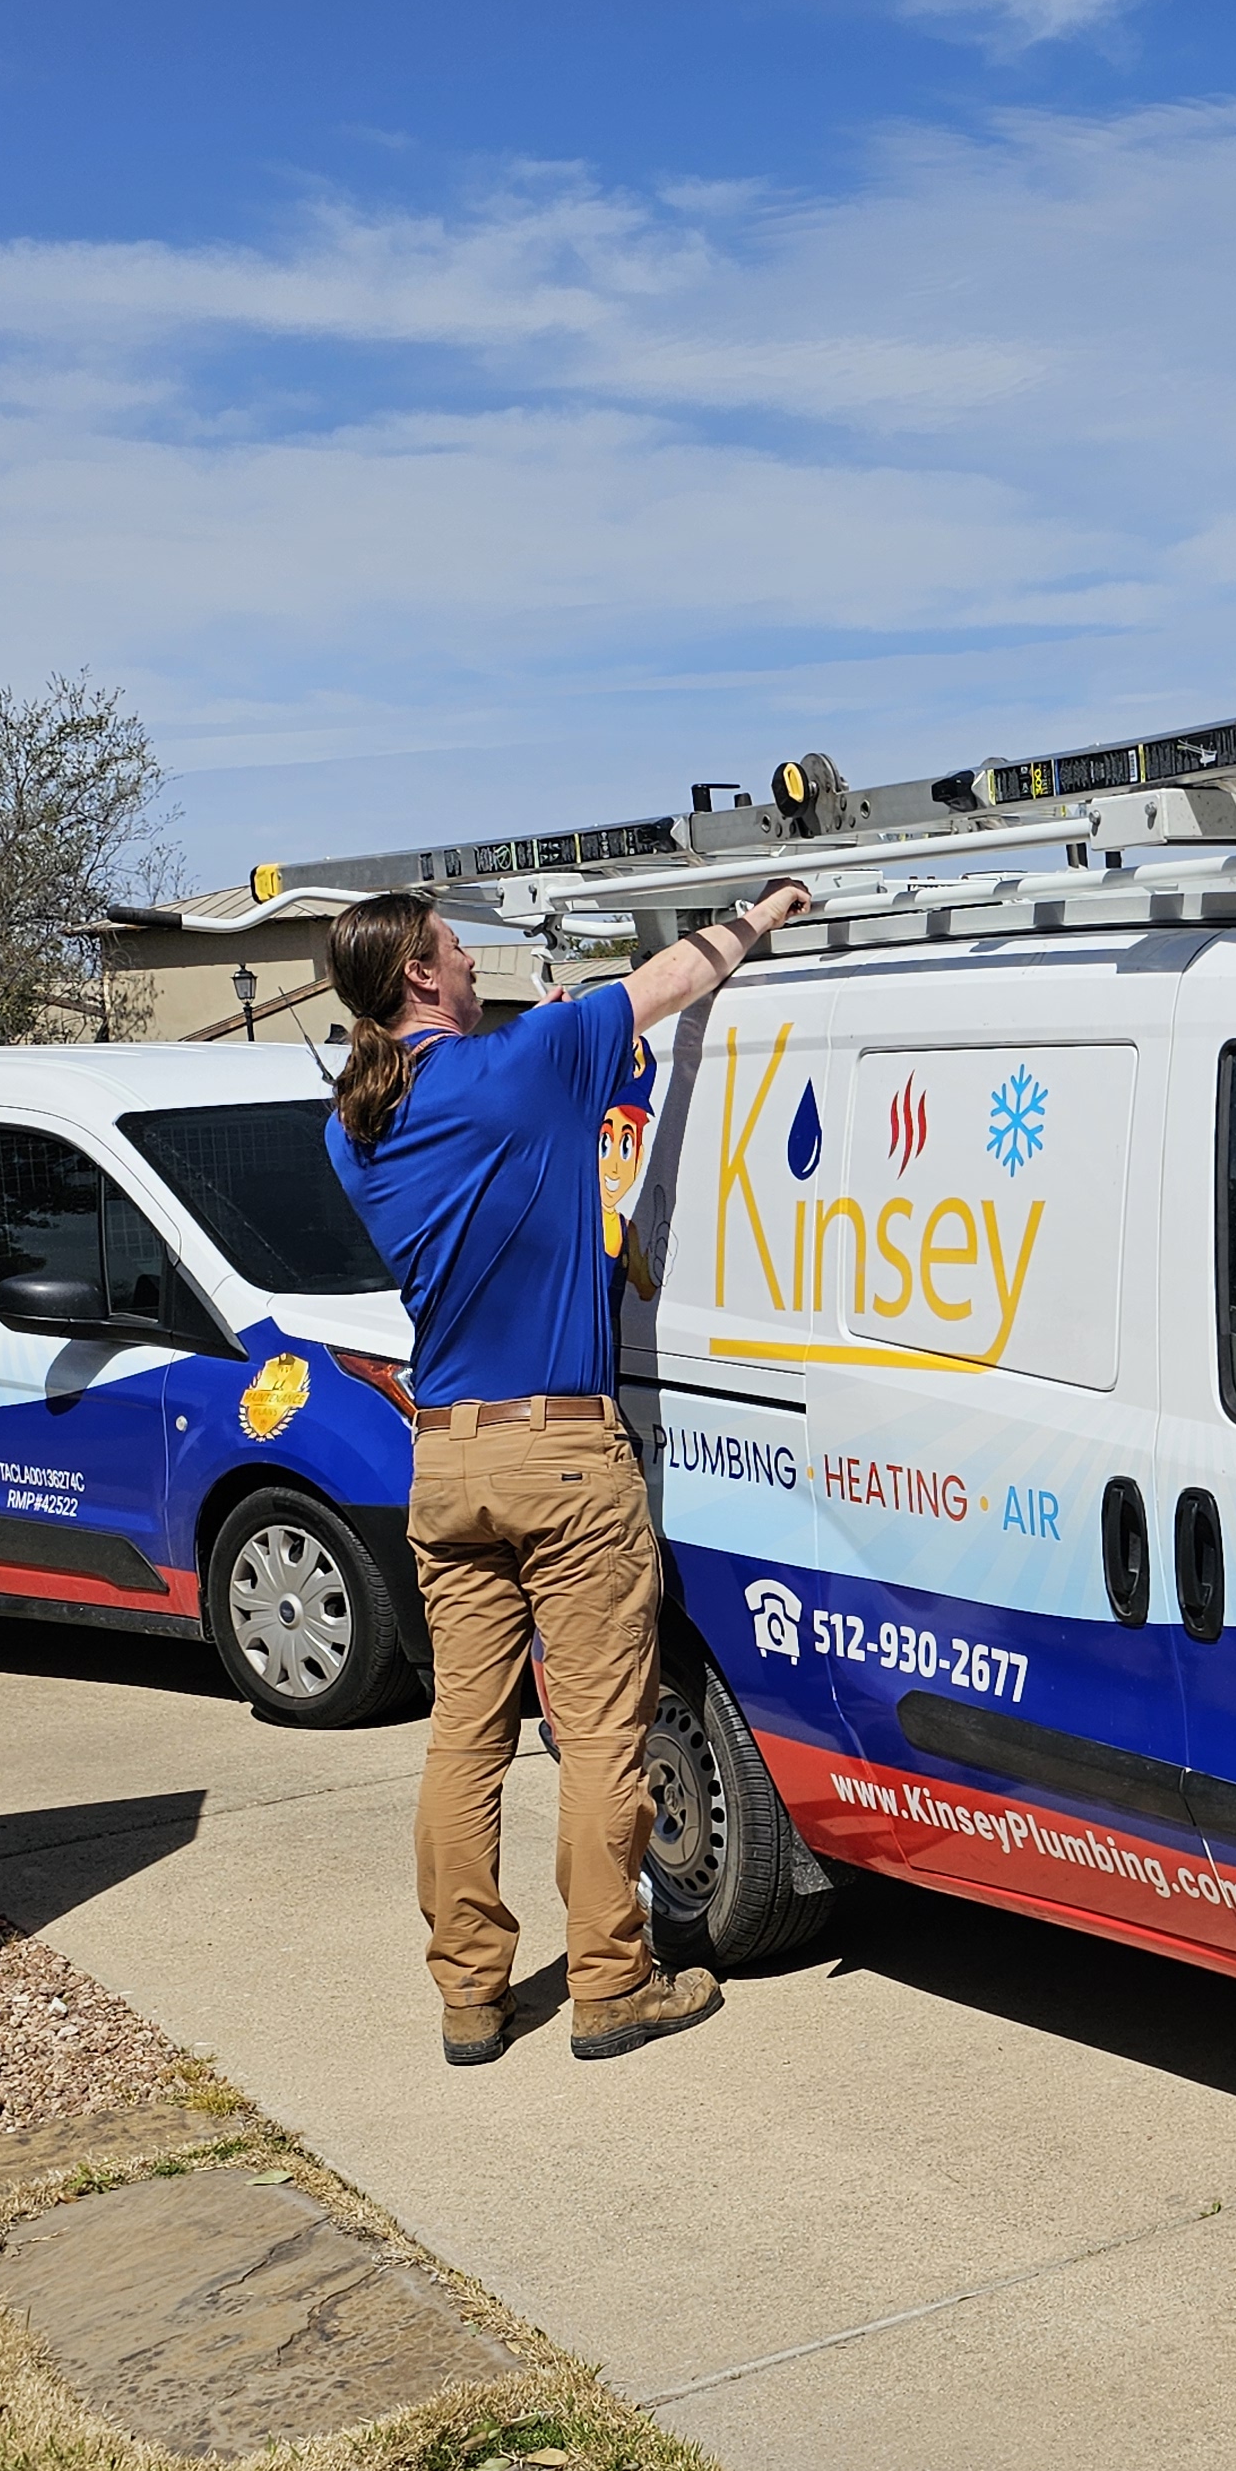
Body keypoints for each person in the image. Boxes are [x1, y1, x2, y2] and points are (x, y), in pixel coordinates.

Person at [322, 882, 813, 2065]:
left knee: (465, 1738)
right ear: (424, 977)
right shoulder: (531, 1059)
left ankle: (469, 1993)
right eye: (453, 944)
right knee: (599, 1731)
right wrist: (763, 912)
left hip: (444, 1456)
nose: (469, 955)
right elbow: (679, 978)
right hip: (560, 1453)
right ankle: (609, 1982)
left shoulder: (352, 1129)